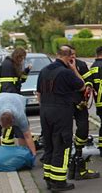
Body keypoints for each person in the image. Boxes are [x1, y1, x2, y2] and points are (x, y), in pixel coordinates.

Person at [37, 46, 85, 191]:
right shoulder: (66, 72)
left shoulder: (44, 71)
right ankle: (59, 182)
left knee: (49, 145)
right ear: (70, 57)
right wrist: (74, 69)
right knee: (62, 145)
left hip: (45, 111)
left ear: (57, 55)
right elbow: (82, 86)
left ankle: (49, 179)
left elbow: (39, 93)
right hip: (61, 112)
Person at [66, 46, 100, 180]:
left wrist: (89, 86)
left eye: (74, 54)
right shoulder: (62, 67)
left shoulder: (81, 65)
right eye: (70, 55)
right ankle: (72, 160)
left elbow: (87, 82)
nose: (72, 57)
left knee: (83, 128)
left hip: (80, 103)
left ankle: (78, 152)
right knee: (65, 131)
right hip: (67, 104)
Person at [0, 47, 31, 146]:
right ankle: (7, 144)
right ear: (17, 56)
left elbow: (20, 80)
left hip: (12, 96)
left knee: (13, 121)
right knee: (10, 121)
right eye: (21, 57)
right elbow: (8, 84)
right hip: (8, 97)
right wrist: (13, 98)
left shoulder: (13, 64)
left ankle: (8, 144)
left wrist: (27, 70)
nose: (22, 60)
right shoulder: (8, 65)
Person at [0, 93, 36, 157]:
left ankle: (23, 155)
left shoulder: (20, 116)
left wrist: (34, 154)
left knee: (21, 134)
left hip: (18, 99)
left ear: (13, 122)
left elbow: (28, 136)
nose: (5, 130)